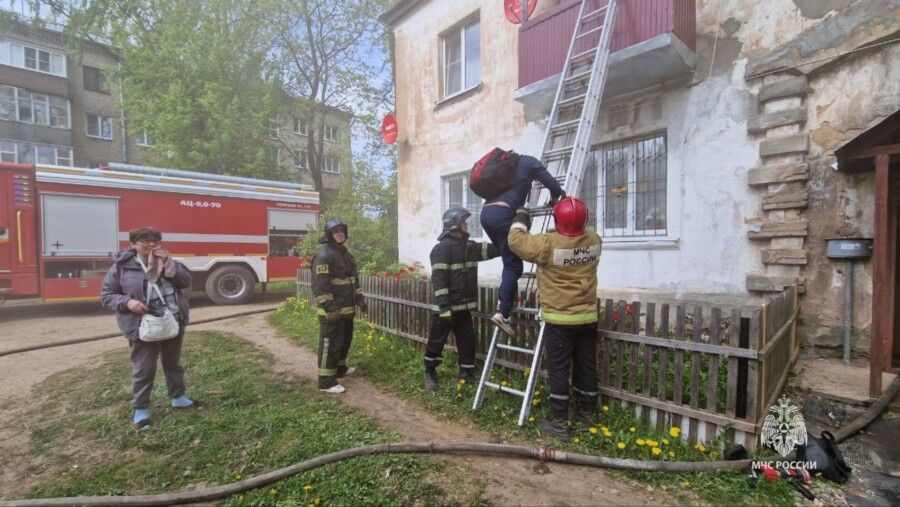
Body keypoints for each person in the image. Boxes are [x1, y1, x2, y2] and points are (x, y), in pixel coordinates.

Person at [507, 197, 601, 441]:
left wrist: (520, 218)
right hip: (588, 317)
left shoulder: (547, 244)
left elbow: (516, 241)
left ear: (558, 221)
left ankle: (559, 423)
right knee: (585, 366)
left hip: (559, 320)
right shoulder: (594, 241)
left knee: (559, 370)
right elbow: (573, 240)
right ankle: (586, 415)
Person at [100, 227, 195, 429]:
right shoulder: (122, 266)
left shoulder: (168, 261)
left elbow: (186, 282)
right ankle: (141, 410)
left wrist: (170, 264)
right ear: (133, 244)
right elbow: (107, 295)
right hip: (142, 324)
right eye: (145, 241)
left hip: (172, 320)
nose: (151, 245)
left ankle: (178, 397)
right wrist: (128, 303)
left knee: (173, 363)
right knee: (144, 368)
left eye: (155, 240)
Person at [480, 152, 564, 336]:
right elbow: (553, 186)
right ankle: (503, 313)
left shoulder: (505, 168)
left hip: (486, 214)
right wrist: (556, 199)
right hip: (503, 215)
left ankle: (503, 303)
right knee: (514, 266)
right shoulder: (530, 162)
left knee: (508, 261)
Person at [424, 208, 500, 391]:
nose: (467, 225)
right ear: (455, 224)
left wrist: (509, 236)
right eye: (464, 222)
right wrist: (444, 308)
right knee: (437, 341)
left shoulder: (470, 247)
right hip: (445, 308)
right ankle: (430, 372)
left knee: (467, 341)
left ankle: (466, 374)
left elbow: (494, 250)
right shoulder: (441, 249)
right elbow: (439, 280)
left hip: (464, 308)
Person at [311, 218, 367, 393]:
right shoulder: (323, 256)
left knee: (344, 341)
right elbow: (321, 286)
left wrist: (360, 299)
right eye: (336, 231)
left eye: (342, 231)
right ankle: (326, 381)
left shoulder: (345, 254)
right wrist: (330, 307)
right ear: (329, 235)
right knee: (330, 343)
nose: (340, 234)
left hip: (347, 310)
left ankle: (340, 369)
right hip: (333, 311)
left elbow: (353, 280)